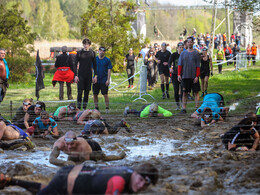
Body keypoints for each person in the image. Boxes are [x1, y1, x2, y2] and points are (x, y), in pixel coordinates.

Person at [0, 162, 158, 195]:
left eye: (146, 184)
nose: (141, 184)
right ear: (136, 173)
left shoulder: (129, 174)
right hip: (67, 181)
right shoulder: (119, 181)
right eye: (141, 179)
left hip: (73, 174)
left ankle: (10, 181)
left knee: (47, 191)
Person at [49, 131, 126, 166]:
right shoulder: (59, 143)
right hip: (76, 151)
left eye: (72, 144)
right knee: (70, 161)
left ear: (76, 141)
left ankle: (119, 156)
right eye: (67, 144)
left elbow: (87, 163)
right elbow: (51, 159)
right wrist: (64, 163)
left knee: (101, 157)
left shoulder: (83, 146)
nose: (69, 147)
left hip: (91, 145)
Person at [178, 37, 201, 114]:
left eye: (191, 42)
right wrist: (178, 74)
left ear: (193, 43)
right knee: (184, 93)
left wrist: (197, 76)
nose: (189, 43)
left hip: (194, 76)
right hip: (185, 76)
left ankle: (197, 108)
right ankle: (183, 108)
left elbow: (198, 66)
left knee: (196, 92)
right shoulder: (183, 53)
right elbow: (180, 65)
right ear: (186, 43)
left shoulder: (196, 53)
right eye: (188, 42)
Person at [74, 39, 97, 110]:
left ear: (89, 45)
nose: (85, 45)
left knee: (87, 92)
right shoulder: (79, 53)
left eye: (87, 44)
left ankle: (84, 108)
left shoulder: (92, 53)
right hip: (81, 74)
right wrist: (75, 75)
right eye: (84, 44)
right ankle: (78, 108)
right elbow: (75, 64)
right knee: (80, 91)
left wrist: (95, 76)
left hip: (89, 75)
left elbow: (95, 65)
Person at [93, 47, 112, 113]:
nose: (102, 52)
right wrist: (93, 77)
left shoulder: (107, 60)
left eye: (103, 51)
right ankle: (96, 108)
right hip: (96, 80)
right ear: (98, 51)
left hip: (104, 79)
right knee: (95, 94)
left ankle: (107, 108)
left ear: (104, 52)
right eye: (100, 50)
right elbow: (92, 69)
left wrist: (108, 79)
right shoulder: (95, 59)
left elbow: (109, 70)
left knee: (105, 94)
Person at [168, 42, 184, 109]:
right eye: (180, 47)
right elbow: (169, 62)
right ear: (177, 48)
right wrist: (170, 68)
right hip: (175, 74)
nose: (181, 49)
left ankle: (183, 104)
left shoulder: (184, 54)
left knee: (183, 90)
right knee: (176, 90)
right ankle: (177, 104)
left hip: (183, 74)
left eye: (182, 47)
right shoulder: (174, 55)